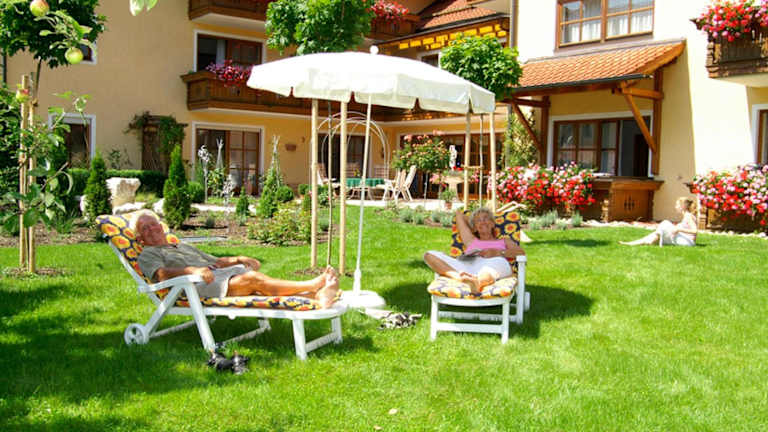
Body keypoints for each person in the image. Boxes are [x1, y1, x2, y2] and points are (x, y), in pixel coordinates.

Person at [132, 212, 340, 308]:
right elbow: (161, 275)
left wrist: (239, 258)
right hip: (195, 286)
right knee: (253, 280)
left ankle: (317, 297)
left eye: (153, 224)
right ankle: (313, 284)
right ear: (140, 238)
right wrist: (192, 271)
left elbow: (217, 261)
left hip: (217, 275)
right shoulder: (148, 254)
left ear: (162, 227)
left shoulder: (181, 245)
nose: (151, 229)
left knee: (258, 285)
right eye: (145, 228)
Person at [423, 207, 525, 294]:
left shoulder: (504, 241)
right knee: (429, 255)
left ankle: (477, 282)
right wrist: (474, 224)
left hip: (495, 263)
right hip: (468, 266)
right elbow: (459, 214)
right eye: (479, 220)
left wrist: (498, 252)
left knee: (496, 264)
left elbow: (521, 253)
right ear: (474, 228)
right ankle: (460, 278)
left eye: (486, 219)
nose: (483, 222)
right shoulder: (471, 240)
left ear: (493, 224)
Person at [620, 197, 698, 247]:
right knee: (658, 232)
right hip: (685, 240)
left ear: (683, 206)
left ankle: (634, 243)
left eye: (677, 205)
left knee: (665, 223)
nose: (676, 207)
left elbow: (695, 231)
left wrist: (678, 229)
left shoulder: (689, 216)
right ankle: (634, 243)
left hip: (688, 242)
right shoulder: (687, 216)